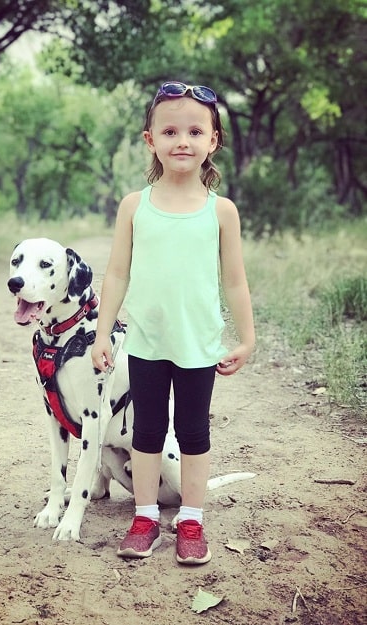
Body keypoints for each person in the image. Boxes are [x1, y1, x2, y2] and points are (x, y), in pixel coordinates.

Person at [91, 81, 255, 565]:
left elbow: (236, 282)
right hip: (145, 342)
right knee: (146, 431)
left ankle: (191, 520)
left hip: (197, 346)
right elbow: (117, 272)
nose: (182, 140)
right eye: (169, 131)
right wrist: (103, 332)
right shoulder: (134, 206)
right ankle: (144, 517)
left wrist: (246, 338)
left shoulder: (220, 211)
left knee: (193, 433)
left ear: (213, 141)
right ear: (150, 140)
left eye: (194, 131)